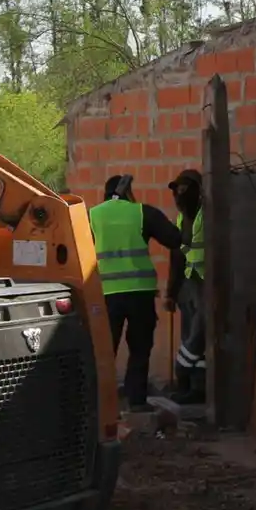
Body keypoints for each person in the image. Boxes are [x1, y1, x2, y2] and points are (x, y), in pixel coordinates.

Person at [89, 174, 183, 412]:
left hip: (107, 293)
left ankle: (100, 403)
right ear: (128, 192)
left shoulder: (92, 216)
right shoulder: (142, 213)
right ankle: (137, 401)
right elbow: (174, 239)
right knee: (140, 347)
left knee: (105, 349)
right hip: (140, 293)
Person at [165, 168, 206, 404]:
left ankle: (183, 372)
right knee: (192, 333)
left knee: (199, 334)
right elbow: (176, 256)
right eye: (177, 189)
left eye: (184, 188)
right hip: (188, 284)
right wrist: (171, 292)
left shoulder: (206, 214)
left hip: (205, 282)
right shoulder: (182, 218)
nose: (179, 194)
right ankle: (193, 386)